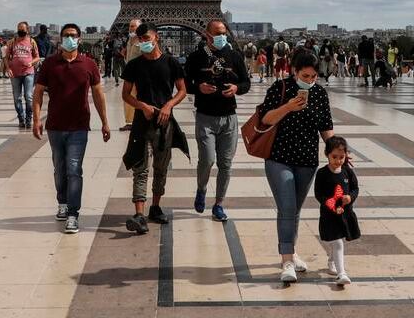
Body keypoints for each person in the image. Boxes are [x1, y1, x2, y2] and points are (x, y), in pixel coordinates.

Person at [258, 51, 335, 283]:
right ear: (294, 71)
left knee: (296, 210)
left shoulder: (320, 94)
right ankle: (287, 260)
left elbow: (326, 126)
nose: (310, 80)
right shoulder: (280, 88)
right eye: (305, 76)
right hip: (278, 158)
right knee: (288, 208)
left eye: (313, 77)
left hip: (307, 161)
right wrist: (288, 107)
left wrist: (336, 149)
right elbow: (266, 119)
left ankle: (292, 250)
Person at [33, 23, 111, 234]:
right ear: (60, 38)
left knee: (74, 170)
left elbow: (98, 95)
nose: (70, 38)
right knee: (60, 169)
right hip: (55, 126)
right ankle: (63, 202)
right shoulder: (50, 64)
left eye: (73, 35)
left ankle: (73, 214)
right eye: (66, 35)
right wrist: (36, 119)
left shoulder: (89, 64)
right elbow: (38, 92)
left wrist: (104, 121)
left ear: (80, 38)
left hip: (79, 126)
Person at [121, 23, 189, 235]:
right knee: (140, 167)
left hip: (163, 120)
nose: (144, 43)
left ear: (156, 37)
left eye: (147, 38)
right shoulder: (133, 65)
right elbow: (126, 94)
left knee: (161, 166)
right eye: (141, 40)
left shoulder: (171, 62)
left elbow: (182, 90)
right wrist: (141, 106)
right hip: (142, 120)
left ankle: (155, 206)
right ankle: (139, 214)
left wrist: (169, 105)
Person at [185, 20, 250, 222]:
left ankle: (219, 204)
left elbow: (246, 82)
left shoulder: (234, 56)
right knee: (207, 159)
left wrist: (236, 89)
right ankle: (202, 188)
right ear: (207, 34)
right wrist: (199, 88)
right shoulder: (196, 57)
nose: (222, 36)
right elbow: (185, 84)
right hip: (205, 116)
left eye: (224, 32)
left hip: (229, 117)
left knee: (226, 164)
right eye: (218, 33)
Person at [314, 136, 360, 285]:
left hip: (345, 215)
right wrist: (331, 205)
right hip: (329, 216)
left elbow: (355, 188)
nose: (338, 160)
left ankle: (331, 262)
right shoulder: (322, 173)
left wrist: (350, 198)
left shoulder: (348, 172)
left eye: (341, 157)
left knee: (337, 242)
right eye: (334, 157)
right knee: (338, 243)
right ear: (327, 154)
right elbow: (318, 194)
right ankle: (342, 274)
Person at [7, 22, 40, 129]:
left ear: (27, 30)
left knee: (28, 97)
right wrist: (8, 68)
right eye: (19, 29)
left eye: (22, 29)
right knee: (17, 98)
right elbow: (6, 57)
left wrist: (31, 63)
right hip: (15, 74)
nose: (20, 31)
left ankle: (28, 119)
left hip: (28, 73)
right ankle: (21, 118)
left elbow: (37, 57)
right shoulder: (12, 42)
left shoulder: (31, 41)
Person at [120, 19, 142, 132]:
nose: (131, 28)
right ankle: (129, 122)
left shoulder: (143, 41)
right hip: (129, 75)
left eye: (133, 26)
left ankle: (140, 121)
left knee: (141, 98)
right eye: (130, 26)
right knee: (127, 98)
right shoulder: (129, 40)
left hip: (140, 75)